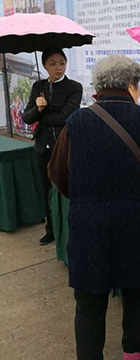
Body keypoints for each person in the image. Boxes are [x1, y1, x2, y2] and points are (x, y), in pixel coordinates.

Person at [48, 55, 140, 360]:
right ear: (132, 85)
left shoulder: (77, 121)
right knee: (136, 285)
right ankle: (133, 354)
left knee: (90, 298)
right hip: (136, 217)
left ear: (99, 86)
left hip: (89, 220)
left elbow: (57, 173)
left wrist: (85, 196)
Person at [22, 48, 82, 244]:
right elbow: (27, 117)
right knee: (45, 188)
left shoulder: (74, 87)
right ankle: (51, 229)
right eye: (53, 64)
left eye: (62, 63)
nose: (58, 67)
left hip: (63, 145)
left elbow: (65, 117)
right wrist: (38, 108)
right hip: (42, 146)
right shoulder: (38, 86)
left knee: (65, 187)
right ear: (45, 66)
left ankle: (69, 227)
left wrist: (41, 115)